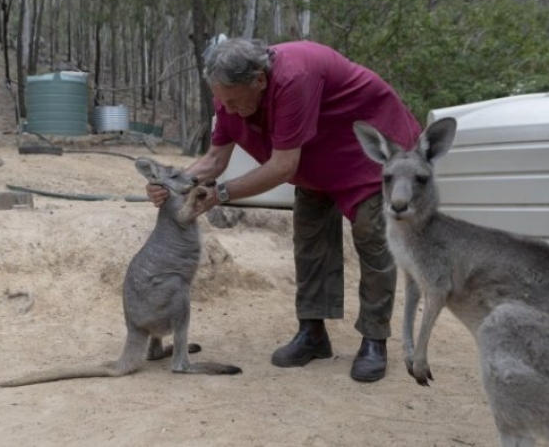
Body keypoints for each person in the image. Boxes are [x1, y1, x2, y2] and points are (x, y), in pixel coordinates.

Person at [146, 37, 421, 382]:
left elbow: (282, 167)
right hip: (316, 152)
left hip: (365, 148)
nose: (226, 109)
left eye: (231, 100)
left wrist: (221, 194)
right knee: (309, 237)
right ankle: (313, 333)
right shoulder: (229, 95)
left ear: (259, 81)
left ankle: (374, 339)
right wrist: (174, 185)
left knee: (371, 236)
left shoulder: (294, 79)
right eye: (220, 99)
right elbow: (215, 159)